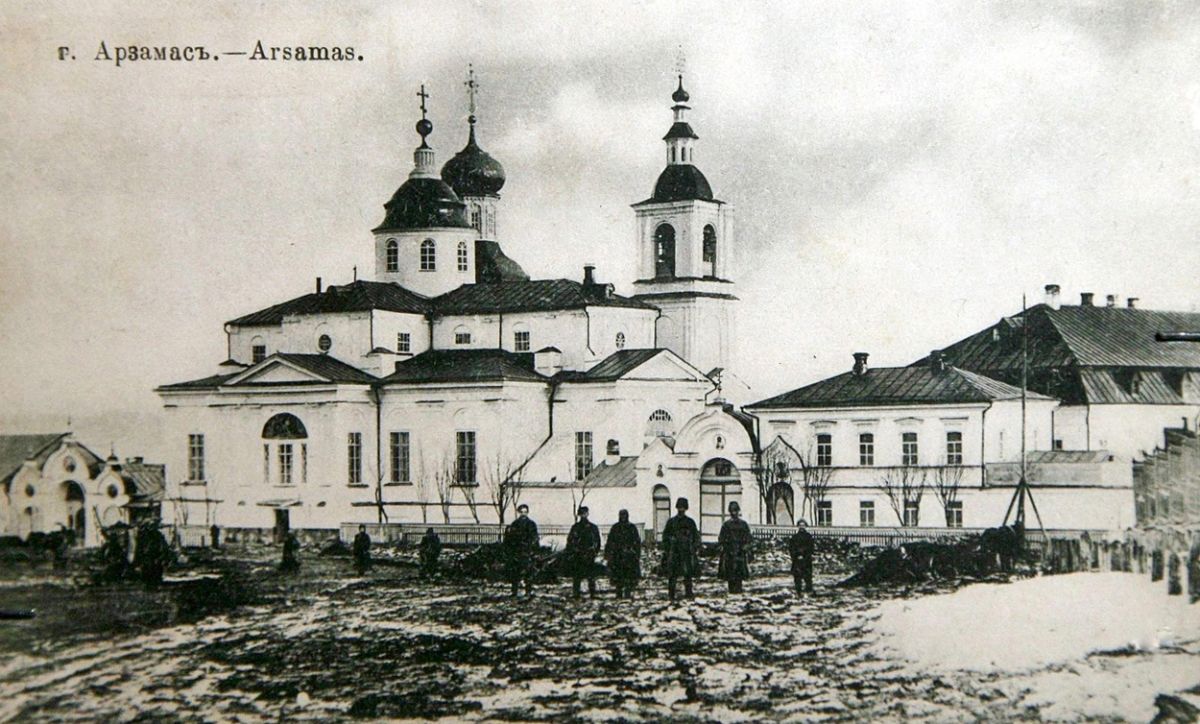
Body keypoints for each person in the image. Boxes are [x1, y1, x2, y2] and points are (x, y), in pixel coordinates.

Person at [661, 497, 701, 602]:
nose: (681, 510)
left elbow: (696, 536)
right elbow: (665, 537)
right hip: (674, 552)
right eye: (679, 507)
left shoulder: (690, 522)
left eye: (683, 508)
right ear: (677, 508)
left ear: (686, 508)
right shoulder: (671, 522)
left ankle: (688, 593)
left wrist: (694, 547)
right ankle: (671, 594)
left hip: (686, 552)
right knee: (672, 575)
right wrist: (668, 547)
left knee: (688, 574)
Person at [564, 506, 602, 598]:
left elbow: (597, 541)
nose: (584, 515)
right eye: (582, 514)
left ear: (588, 514)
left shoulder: (593, 527)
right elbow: (570, 540)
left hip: (589, 555)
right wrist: (573, 551)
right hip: (578, 555)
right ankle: (576, 594)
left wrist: (594, 552)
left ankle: (592, 594)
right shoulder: (575, 527)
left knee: (591, 576)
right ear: (579, 515)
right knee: (577, 576)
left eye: (585, 513)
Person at [605, 509, 642, 598]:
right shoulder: (615, 528)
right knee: (618, 577)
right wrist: (608, 554)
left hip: (629, 557)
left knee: (629, 577)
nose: (623, 517)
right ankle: (618, 594)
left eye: (624, 515)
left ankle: (628, 594)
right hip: (618, 557)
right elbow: (610, 541)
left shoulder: (632, 527)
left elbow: (637, 542)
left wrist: (636, 554)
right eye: (621, 515)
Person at [717, 501, 753, 593]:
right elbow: (721, 538)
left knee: (739, 571)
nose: (734, 513)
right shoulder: (726, 525)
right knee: (730, 571)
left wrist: (746, 546)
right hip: (729, 552)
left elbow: (748, 537)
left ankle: (739, 589)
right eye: (732, 511)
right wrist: (722, 546)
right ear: (730, 512)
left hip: (740, 551)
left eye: (736, 511)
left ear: (738, 511)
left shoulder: (743, 524)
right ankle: (731, 590)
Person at [504, 503, 539, 596]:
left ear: (527, 513)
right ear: (518, 512)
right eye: (521, 512)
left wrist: (533, 550)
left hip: (527, 552)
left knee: (528, 573)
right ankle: (514, 591)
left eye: (525, 512)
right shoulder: (514, 524)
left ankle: (528, 591)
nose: (523, 514)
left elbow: (535, 538)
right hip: (517, 552)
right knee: (515, 572)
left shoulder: (531, 524)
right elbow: (509, 539)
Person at [789, 519, 815, 596]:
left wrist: (804, 555)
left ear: (806, 526)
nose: (802, 527)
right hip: (797, 560)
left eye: (803, 525)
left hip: (806, 560)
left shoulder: (809, 537)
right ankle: (798, 591)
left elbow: (811, 548)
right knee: (797, 577)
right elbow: (791, 548)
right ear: (798, 526)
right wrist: (796, 555)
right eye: (800, 525)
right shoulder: (794, 537)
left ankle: (809, 591)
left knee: (808, 576)